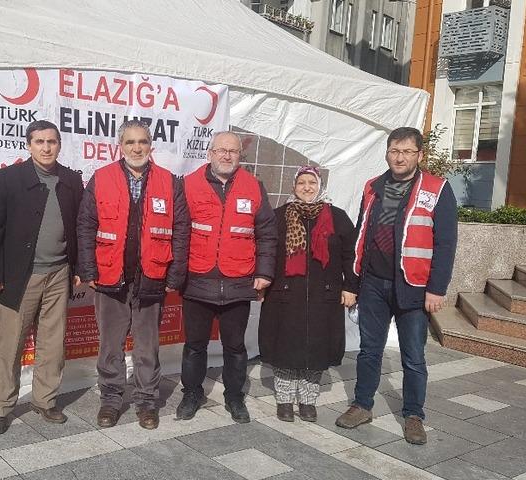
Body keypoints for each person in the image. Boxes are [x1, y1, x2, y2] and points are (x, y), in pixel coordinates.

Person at [335, 127, 457, 445]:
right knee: (369, 351)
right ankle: (362, 405)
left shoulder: (437, 188)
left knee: (413, 356)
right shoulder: (373, 186)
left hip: (413, 286)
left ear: (419, 155)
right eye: (394, 150)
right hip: (374, 283)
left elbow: (445, 243)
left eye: (406, 151)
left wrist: (437, 288)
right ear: (387, 152)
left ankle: (413, 415)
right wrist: (353, 283)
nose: (399, 157)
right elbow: (362, 234)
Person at [76, 120, 188, 430]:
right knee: (110, 344)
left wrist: (175, 275)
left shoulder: (169, 182)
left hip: (152, 276)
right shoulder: (102, 178)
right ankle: (111, 400)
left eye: (142, 142)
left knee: (147, 345)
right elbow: (85, 225)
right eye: (130, 143)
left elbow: (181, 230)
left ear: (151, 146)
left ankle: (146, 401)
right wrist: (87, 268)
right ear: (120, 146)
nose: (137, 148)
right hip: (110, 277)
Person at [0, 120, 83, 434]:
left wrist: (77, 269)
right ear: (28, 144)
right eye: (39, 141)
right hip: (19, 277)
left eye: (52, 141)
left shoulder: (71, 180)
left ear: (59, 144)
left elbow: (78, 228)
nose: (46, 147)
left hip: (58, 273)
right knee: (10, 345)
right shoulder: (10, 178)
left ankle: (45, 400)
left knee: (53, 344)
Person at [176, 131, 278, 424]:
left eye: (232, 151)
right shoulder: (188, 184)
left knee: (235, 346)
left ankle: (234, 397)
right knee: (195, 345)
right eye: (221, 150)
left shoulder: (253, 186)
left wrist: (264, 272)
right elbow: (179, 231)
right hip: (198, 279)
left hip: (238, 280)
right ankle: (192, 394)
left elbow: (267, 234)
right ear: (209, 154)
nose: (226, 155)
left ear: (239, 156)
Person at [259, 165, 358, 423]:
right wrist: (261, 283)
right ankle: (284, 400)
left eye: (311, 182)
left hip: (323, 296)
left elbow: (352, 256)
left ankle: (307, 401)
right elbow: (265, 251)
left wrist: (351, 287)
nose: (306, 187)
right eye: (301, 182)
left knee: (316, 349)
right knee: (285, 346)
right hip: (284, 294)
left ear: (319, 186)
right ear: (294, 186)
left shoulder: (337, 217)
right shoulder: (278, 216)